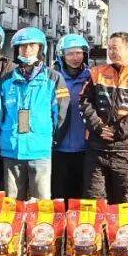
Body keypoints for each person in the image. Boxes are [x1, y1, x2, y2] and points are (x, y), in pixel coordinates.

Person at [80, 32, 128, 203]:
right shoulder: (96, 73)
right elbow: (84, 102)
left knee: (123, 202)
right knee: (94, 200)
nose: (111, 52)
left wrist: (118, 131)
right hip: (97, 147)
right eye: (109, 48)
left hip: (127, 150)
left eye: (115, 48)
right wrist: (98, 127)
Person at [0, 27, 70, 200]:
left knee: (41, 203)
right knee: (12, 202)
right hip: (11, 148)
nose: (27, 49)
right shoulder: (6, 80)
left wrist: (51, 138)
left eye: (32, 45)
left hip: (40, 149)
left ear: (40, 48)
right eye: (23, 46)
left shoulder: (54, 78)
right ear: (16, 50)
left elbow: (61, 114)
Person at [52, 32, 92, 201]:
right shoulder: (53, 78)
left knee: (82, 196)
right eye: (70, 54)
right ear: (62, 55)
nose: (75, 58)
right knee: (59, 195)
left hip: (85, 148)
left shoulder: (92, 78)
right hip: (58, 148)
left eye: (79, 53)